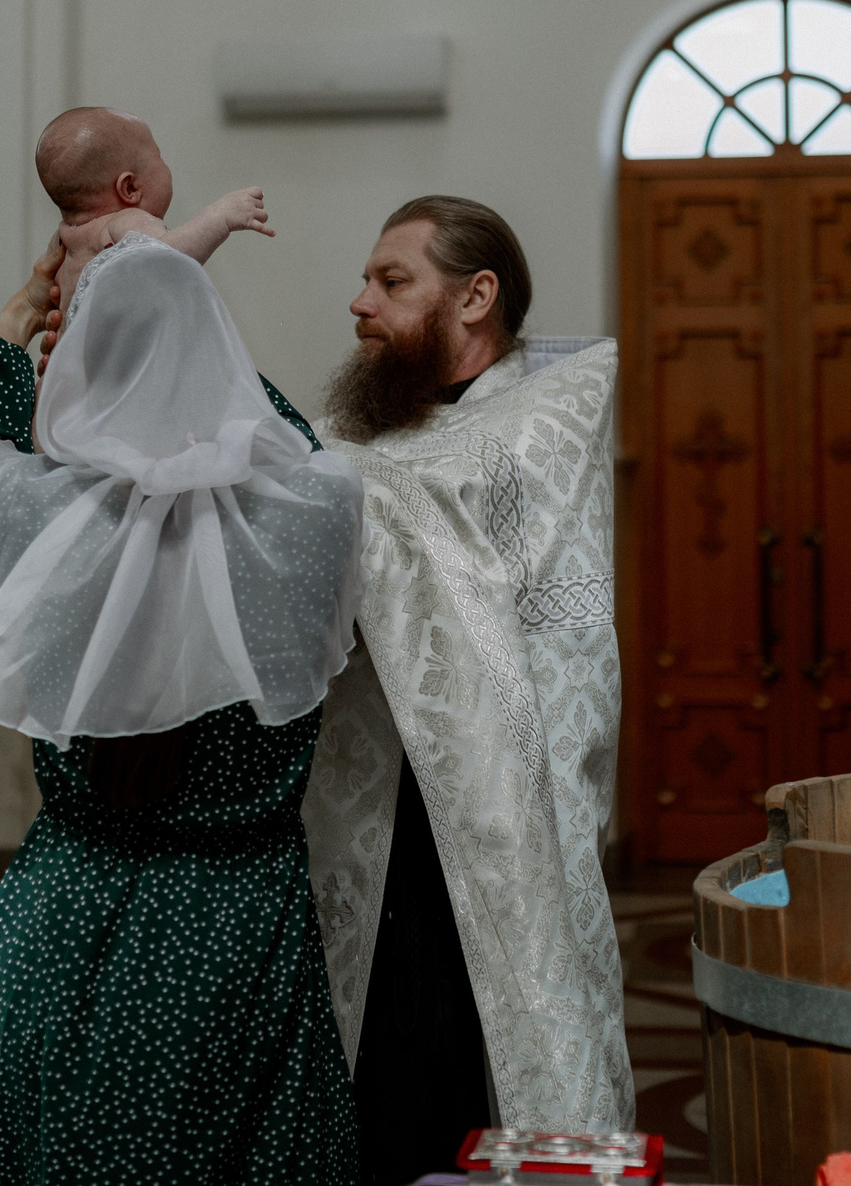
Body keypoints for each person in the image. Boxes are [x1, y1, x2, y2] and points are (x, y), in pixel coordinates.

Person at [0, 232, 364, 1184]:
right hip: (236, 924)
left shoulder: (36, 518)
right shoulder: (316, 513)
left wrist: (18, 318)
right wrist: (184, 291)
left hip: (65, 906)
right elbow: (284, 432)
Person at [301, 195, 633, 1180]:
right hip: (373, 795)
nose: (358, 303)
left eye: (391, 281)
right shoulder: (365, 429)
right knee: (383, 1049)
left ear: (475, 296)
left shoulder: (544, 418)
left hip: (498, 798)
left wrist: (302, 476)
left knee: (473, 1046)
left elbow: (443, 551)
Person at [34, 104, 275, 311]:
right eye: (159, 158)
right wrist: (221, 216)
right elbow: (168, 258)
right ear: (129, 188)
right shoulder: (123, 221)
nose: (165, 165)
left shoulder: (62, 242)